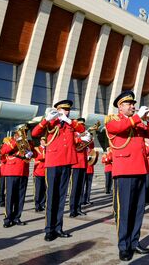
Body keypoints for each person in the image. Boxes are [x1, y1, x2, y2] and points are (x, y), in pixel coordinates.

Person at [105, 90, 149, 261]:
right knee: (125, 210)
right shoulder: (114, 120)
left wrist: (148, 121)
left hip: (140, 168)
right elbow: (118, 129)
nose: (133, 106)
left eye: (133, 104)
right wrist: (137, 118)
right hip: (125, 169)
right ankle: (124, 245)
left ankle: (135, 242)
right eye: (129, 104)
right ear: (120, 106)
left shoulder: (137, 121)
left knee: (138, 210)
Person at [31, 100, 86, 241]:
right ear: (56, 110)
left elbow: (82, 130)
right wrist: (46, 120)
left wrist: (68, 120)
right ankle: (49, 229)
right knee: (52, 196)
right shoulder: (51, 122)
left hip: (67, 162)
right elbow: (35, 133)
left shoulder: (71, 123)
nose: (65, 112)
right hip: (53, 162)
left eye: (67, 110)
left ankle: (58, 228)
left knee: (61, 197)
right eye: (62, 109)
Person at [0, 127, 32, 228]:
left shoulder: (29, 142)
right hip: (12, 171)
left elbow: (33, 153)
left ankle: (17, 217)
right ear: (16, 134)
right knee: (10, 196)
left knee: (20, 197)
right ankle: (8, 218)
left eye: (25, 133)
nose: (24, 135)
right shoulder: (10, 141)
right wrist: (16, 142)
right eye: (22, 133)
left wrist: (31, 153)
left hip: (23, 172)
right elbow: (4, 150)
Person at [69, 118, 91, 217]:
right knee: (74, 188)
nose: (82, 126)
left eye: (83, 125)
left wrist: (89, 137)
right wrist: (81, 138)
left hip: (83, 163)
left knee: (81, 187)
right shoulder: (73, 133)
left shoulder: (84, 133)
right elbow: (71, 143)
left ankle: (78, 208)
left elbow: (90, 146)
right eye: (80, 124)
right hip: (75, 163)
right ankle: (72, 210)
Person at [33, 137, 47, 212]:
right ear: (40, 141)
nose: (44, 142)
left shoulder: (48, 149)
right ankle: (37, 205)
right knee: (38, 190)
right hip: (38, 171)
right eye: (43, 141)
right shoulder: (37, 149)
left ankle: (42, 204)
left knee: (44, 189)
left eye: (45, 141)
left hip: (46, 172)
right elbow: (37, 158)